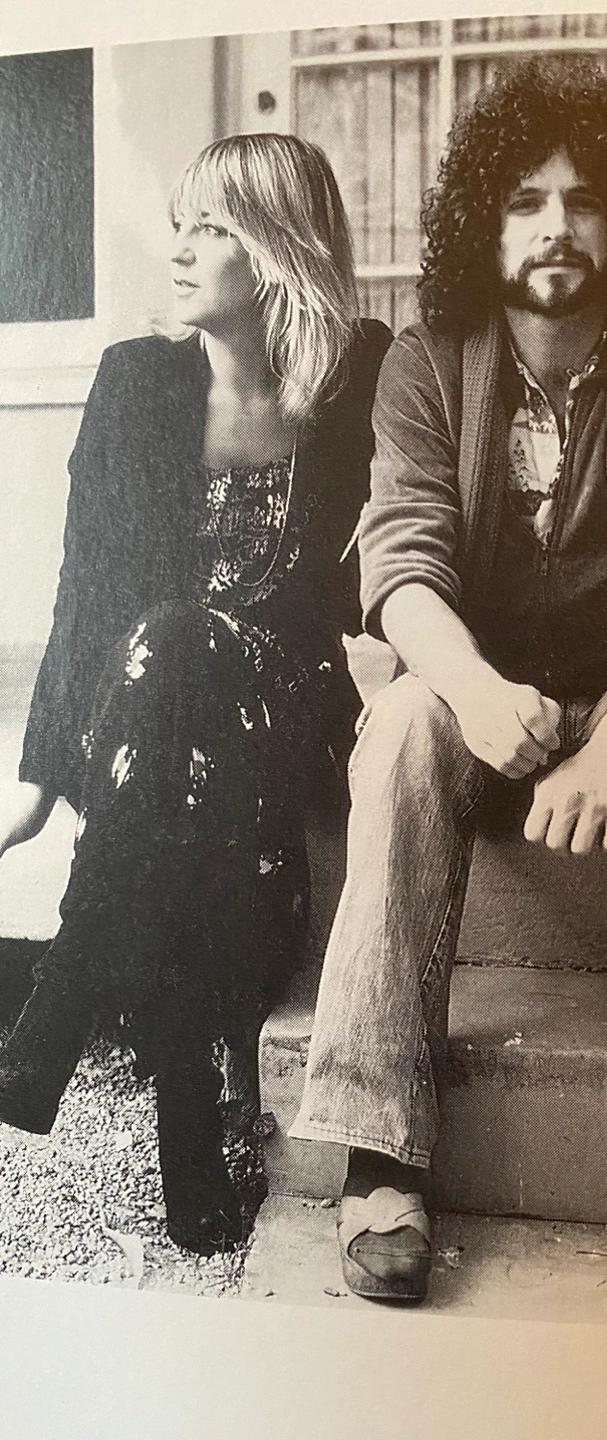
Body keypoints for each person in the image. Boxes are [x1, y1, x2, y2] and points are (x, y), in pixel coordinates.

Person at [288, 59, 607, 1318]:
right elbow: (398, 564)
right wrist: (480, 695)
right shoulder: (427, 361)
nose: (556, 226)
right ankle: (380, 1155)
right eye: (525, 201)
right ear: (480, 225)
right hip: (480, 687)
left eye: (584, 199)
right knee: (400, 723)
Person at [0, 133, 391, 1255]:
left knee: (180, 650)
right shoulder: (136, 381)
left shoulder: (360, 377)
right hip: (153, 714)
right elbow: (87, 589)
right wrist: (41, 777)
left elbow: (373, 582)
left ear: (277, 248)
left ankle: (61, 1001)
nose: (178, 250)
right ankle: (189, 1124)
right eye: (181, 223)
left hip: (289, 697)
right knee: (174, 700)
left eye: (210, 226)